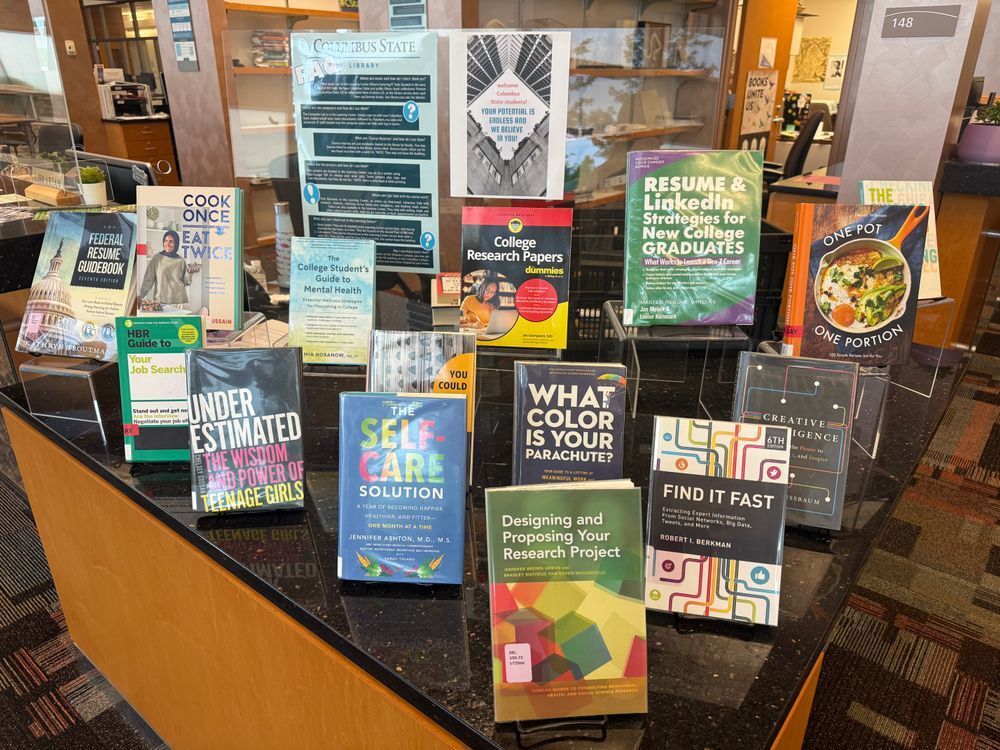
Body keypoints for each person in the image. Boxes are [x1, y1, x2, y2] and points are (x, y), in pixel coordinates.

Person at [138, 229, 200, 307]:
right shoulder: (157, 258)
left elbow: (186, 282)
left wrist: (190, 272)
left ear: (176, 243)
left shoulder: (180, 260)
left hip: (179, 302)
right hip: (160, 301)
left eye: (171, 241)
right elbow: (148, 280)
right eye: (166, 241)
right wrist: (140, 295)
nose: (167, 244)